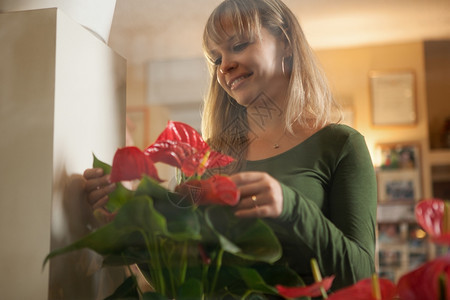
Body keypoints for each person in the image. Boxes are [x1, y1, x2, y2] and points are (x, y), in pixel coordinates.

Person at [84, 0, 377, 293]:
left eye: (239, 45)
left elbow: (361, 277)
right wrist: (131, 219)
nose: (224, 66)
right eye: (215, 58)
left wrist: (292, 209)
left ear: (286, 42)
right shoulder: (200, 160)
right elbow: (180, 281)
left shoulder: (341, 145)